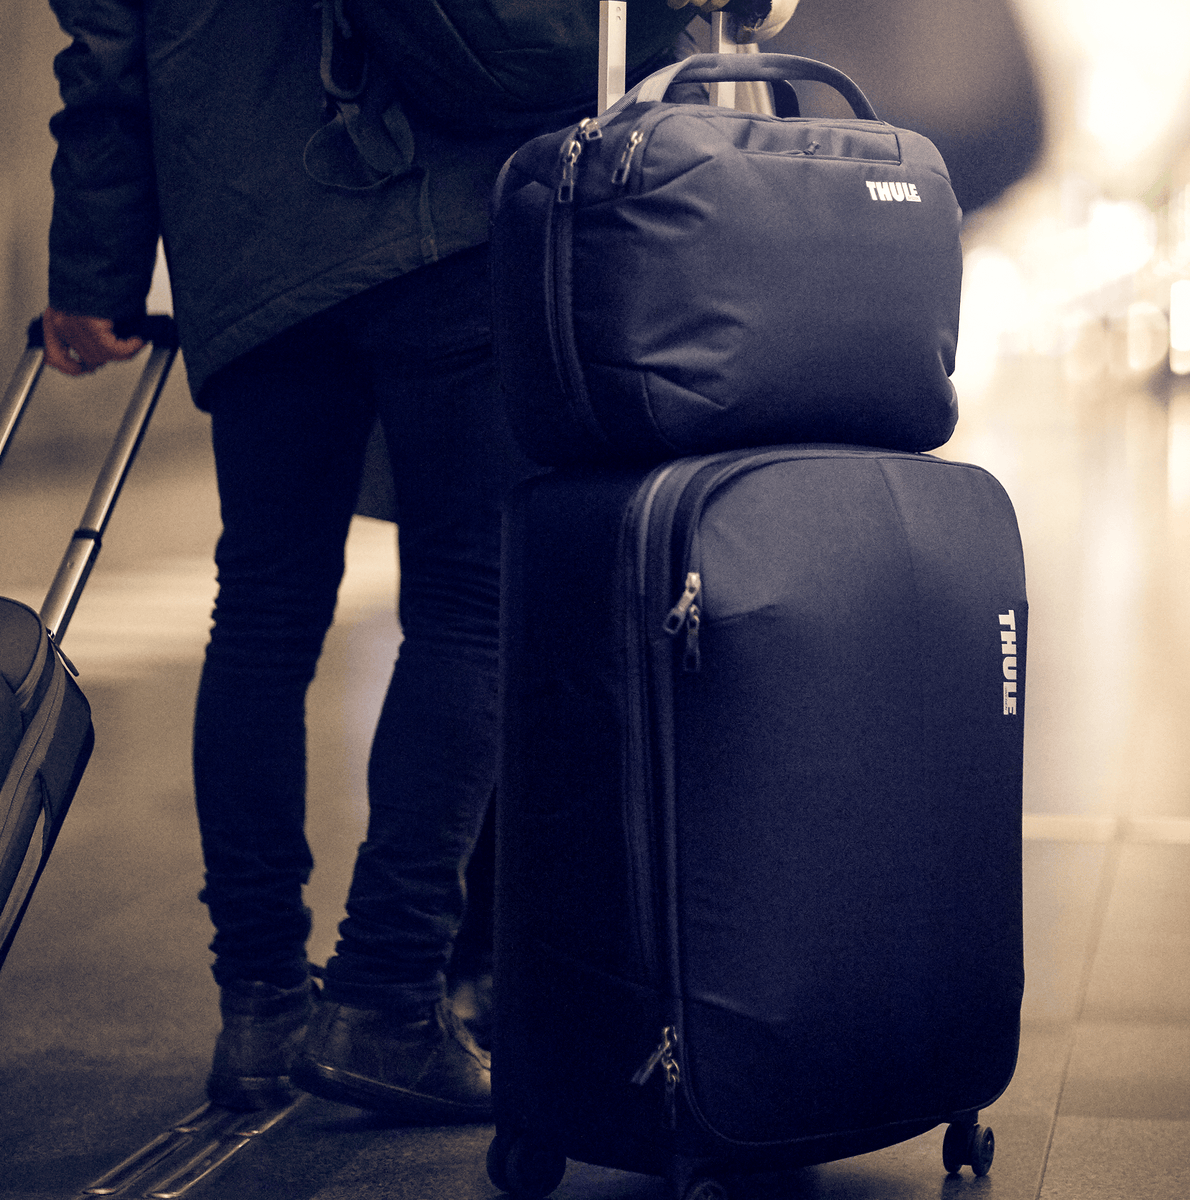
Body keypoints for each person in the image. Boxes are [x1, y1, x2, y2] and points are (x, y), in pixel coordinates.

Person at [40, 0, 731, 1121]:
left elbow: (107, 52)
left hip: (248, 236)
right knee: (468, 602)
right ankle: (385, 995)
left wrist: (95, 269)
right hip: (441, 208)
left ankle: (260, 1009)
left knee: (261, 614)